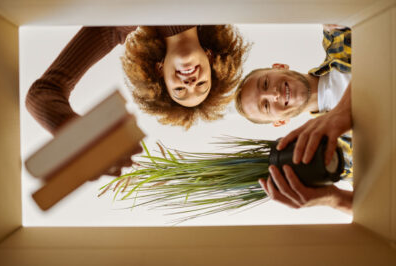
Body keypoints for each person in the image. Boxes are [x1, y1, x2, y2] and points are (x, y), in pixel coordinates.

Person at [25, 25, 248, 177]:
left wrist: (79, 137)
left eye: (179, 90)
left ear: (160, 70)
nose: (190, 83)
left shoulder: (118, 24)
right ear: (210, 58)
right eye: (202, 85)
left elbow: (43, 92)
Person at [234, 25, 353, 214]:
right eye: (265, 106)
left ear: (279, 67)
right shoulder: (340, 159)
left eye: (265, 83)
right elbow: (383, 209)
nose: (273, 94)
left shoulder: (337, 38)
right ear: (280, 122)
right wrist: (334, 199)